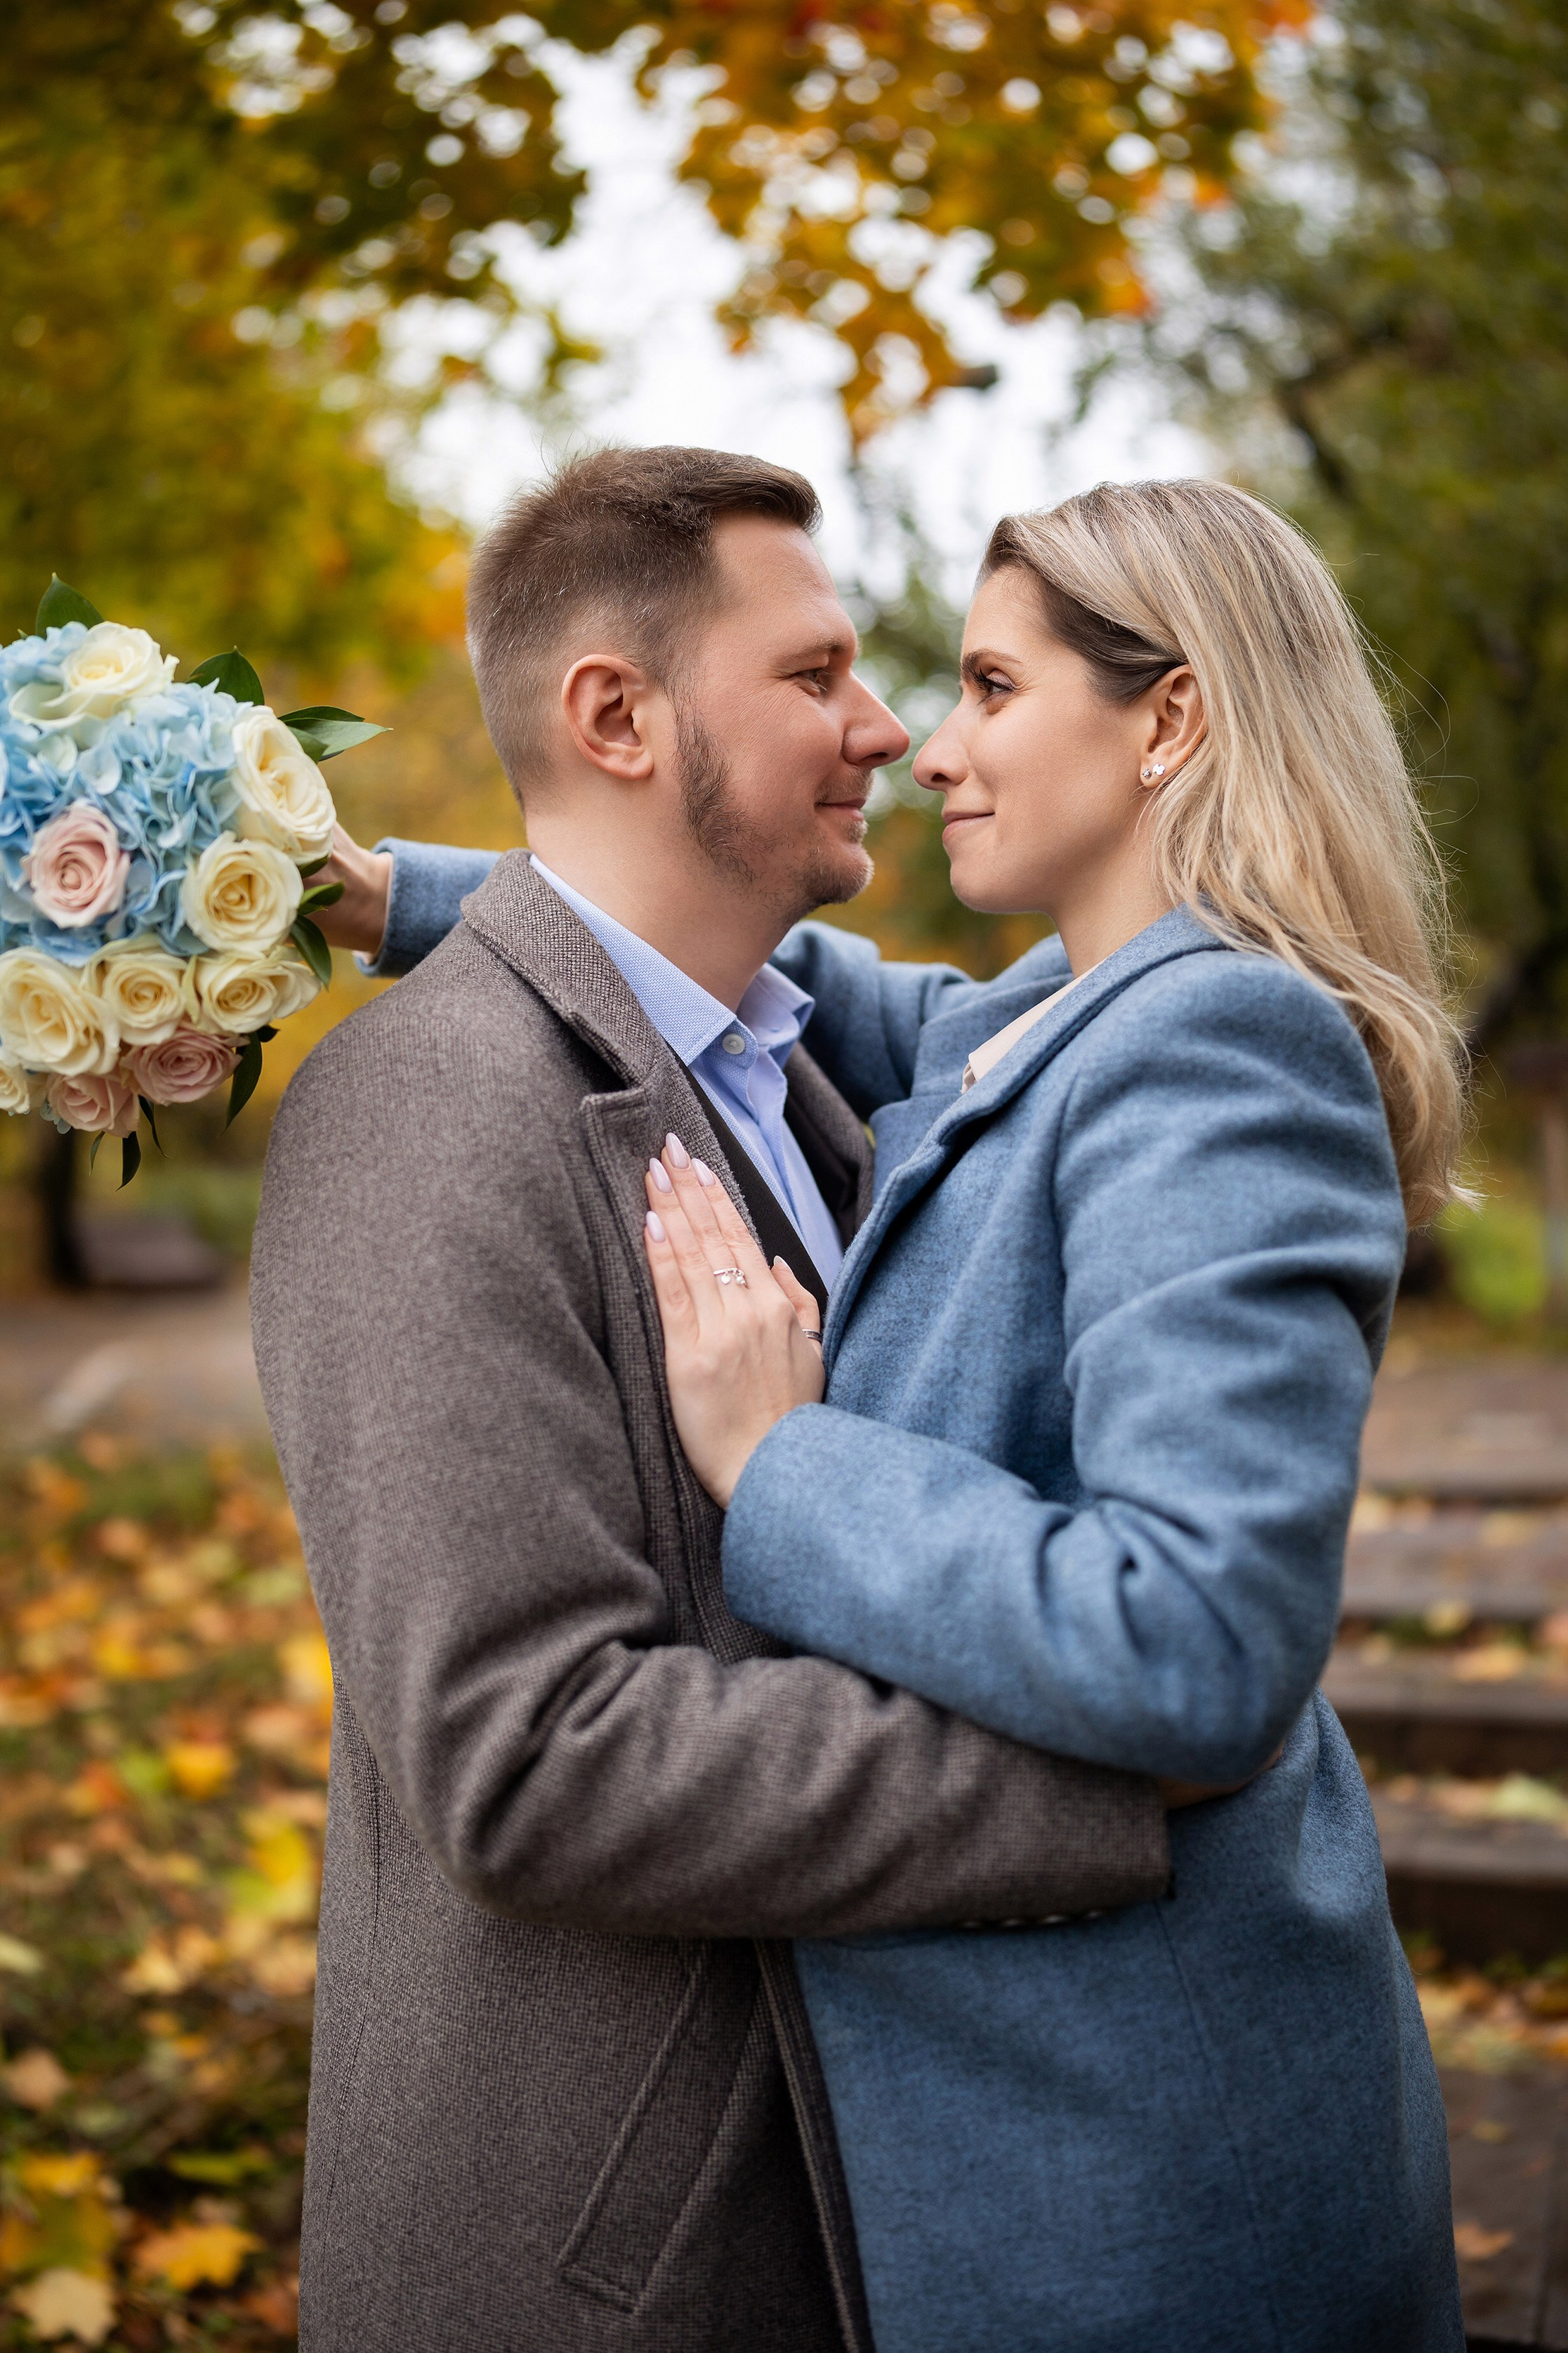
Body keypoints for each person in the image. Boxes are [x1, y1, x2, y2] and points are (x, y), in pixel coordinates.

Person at [338, 478, 1468, 2350]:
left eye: (992, 690)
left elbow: (1194, 1640)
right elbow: (754, 964)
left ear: (1168, 718)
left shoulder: (1223, 1047)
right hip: (1028, 2129)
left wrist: (788, 1468)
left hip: (1139, 2166)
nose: (930, 750)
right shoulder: (1038, 1019)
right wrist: (385, 895)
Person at [250, 447, 1180, 2353]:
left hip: (887, 2208)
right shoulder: (427, 1113)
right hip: (631, 2261)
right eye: (815, 674)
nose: (886, 726)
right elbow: (526, 1753)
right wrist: (1092, 1784)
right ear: (614, 714)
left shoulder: (826, 1082)